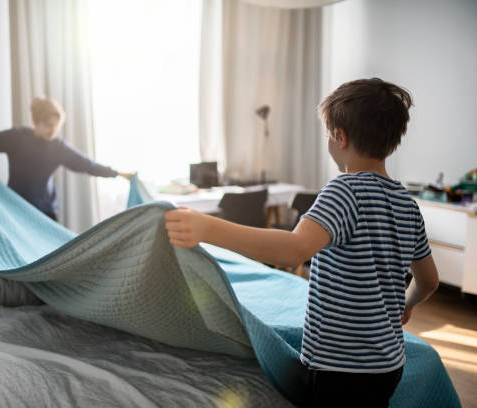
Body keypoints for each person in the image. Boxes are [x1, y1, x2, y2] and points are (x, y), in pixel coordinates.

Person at [164, 78, 439, 407]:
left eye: (327, 134)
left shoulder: (344, 191)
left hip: (341, 368)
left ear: (339, 137)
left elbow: (293, 249)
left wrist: (209, 228)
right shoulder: (407, 204)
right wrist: (406, 303)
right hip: (389, 364)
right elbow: (429, 280)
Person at [0, 97, 133, 221]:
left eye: (57, 125)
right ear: (35, 121)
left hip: (45, 213)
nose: (52, 130)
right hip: (15, 209)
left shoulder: (58, 147)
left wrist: (118, 174)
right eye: (48, 124)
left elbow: (88, 165)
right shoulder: (17, 138)